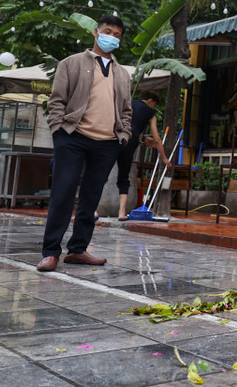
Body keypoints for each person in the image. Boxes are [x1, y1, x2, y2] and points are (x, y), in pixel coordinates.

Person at [36, 15, 132, 272]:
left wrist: (123, 135)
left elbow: (126, 110)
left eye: (118, 35)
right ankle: (50, 252)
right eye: (108, 31)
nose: (112, 37)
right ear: (96, 32)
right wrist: (59, 130)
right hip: (72, 137)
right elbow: (57, 101)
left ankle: (78, 249)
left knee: (91, 198)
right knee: (63, 192)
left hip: (108, 142)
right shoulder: (72, 63)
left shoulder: (122, 73)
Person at [115, 91, 171, 220]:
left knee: (102, 173)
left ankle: (93, 210)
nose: (153, 108)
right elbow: (157, 139)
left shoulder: (127, 102)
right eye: (154, 105)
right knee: (123, 177)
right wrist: (164, 157)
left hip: (113, 138)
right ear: (151, 101)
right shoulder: (150, 113)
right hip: (129, 143)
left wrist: (144, 138)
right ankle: (122, 213)